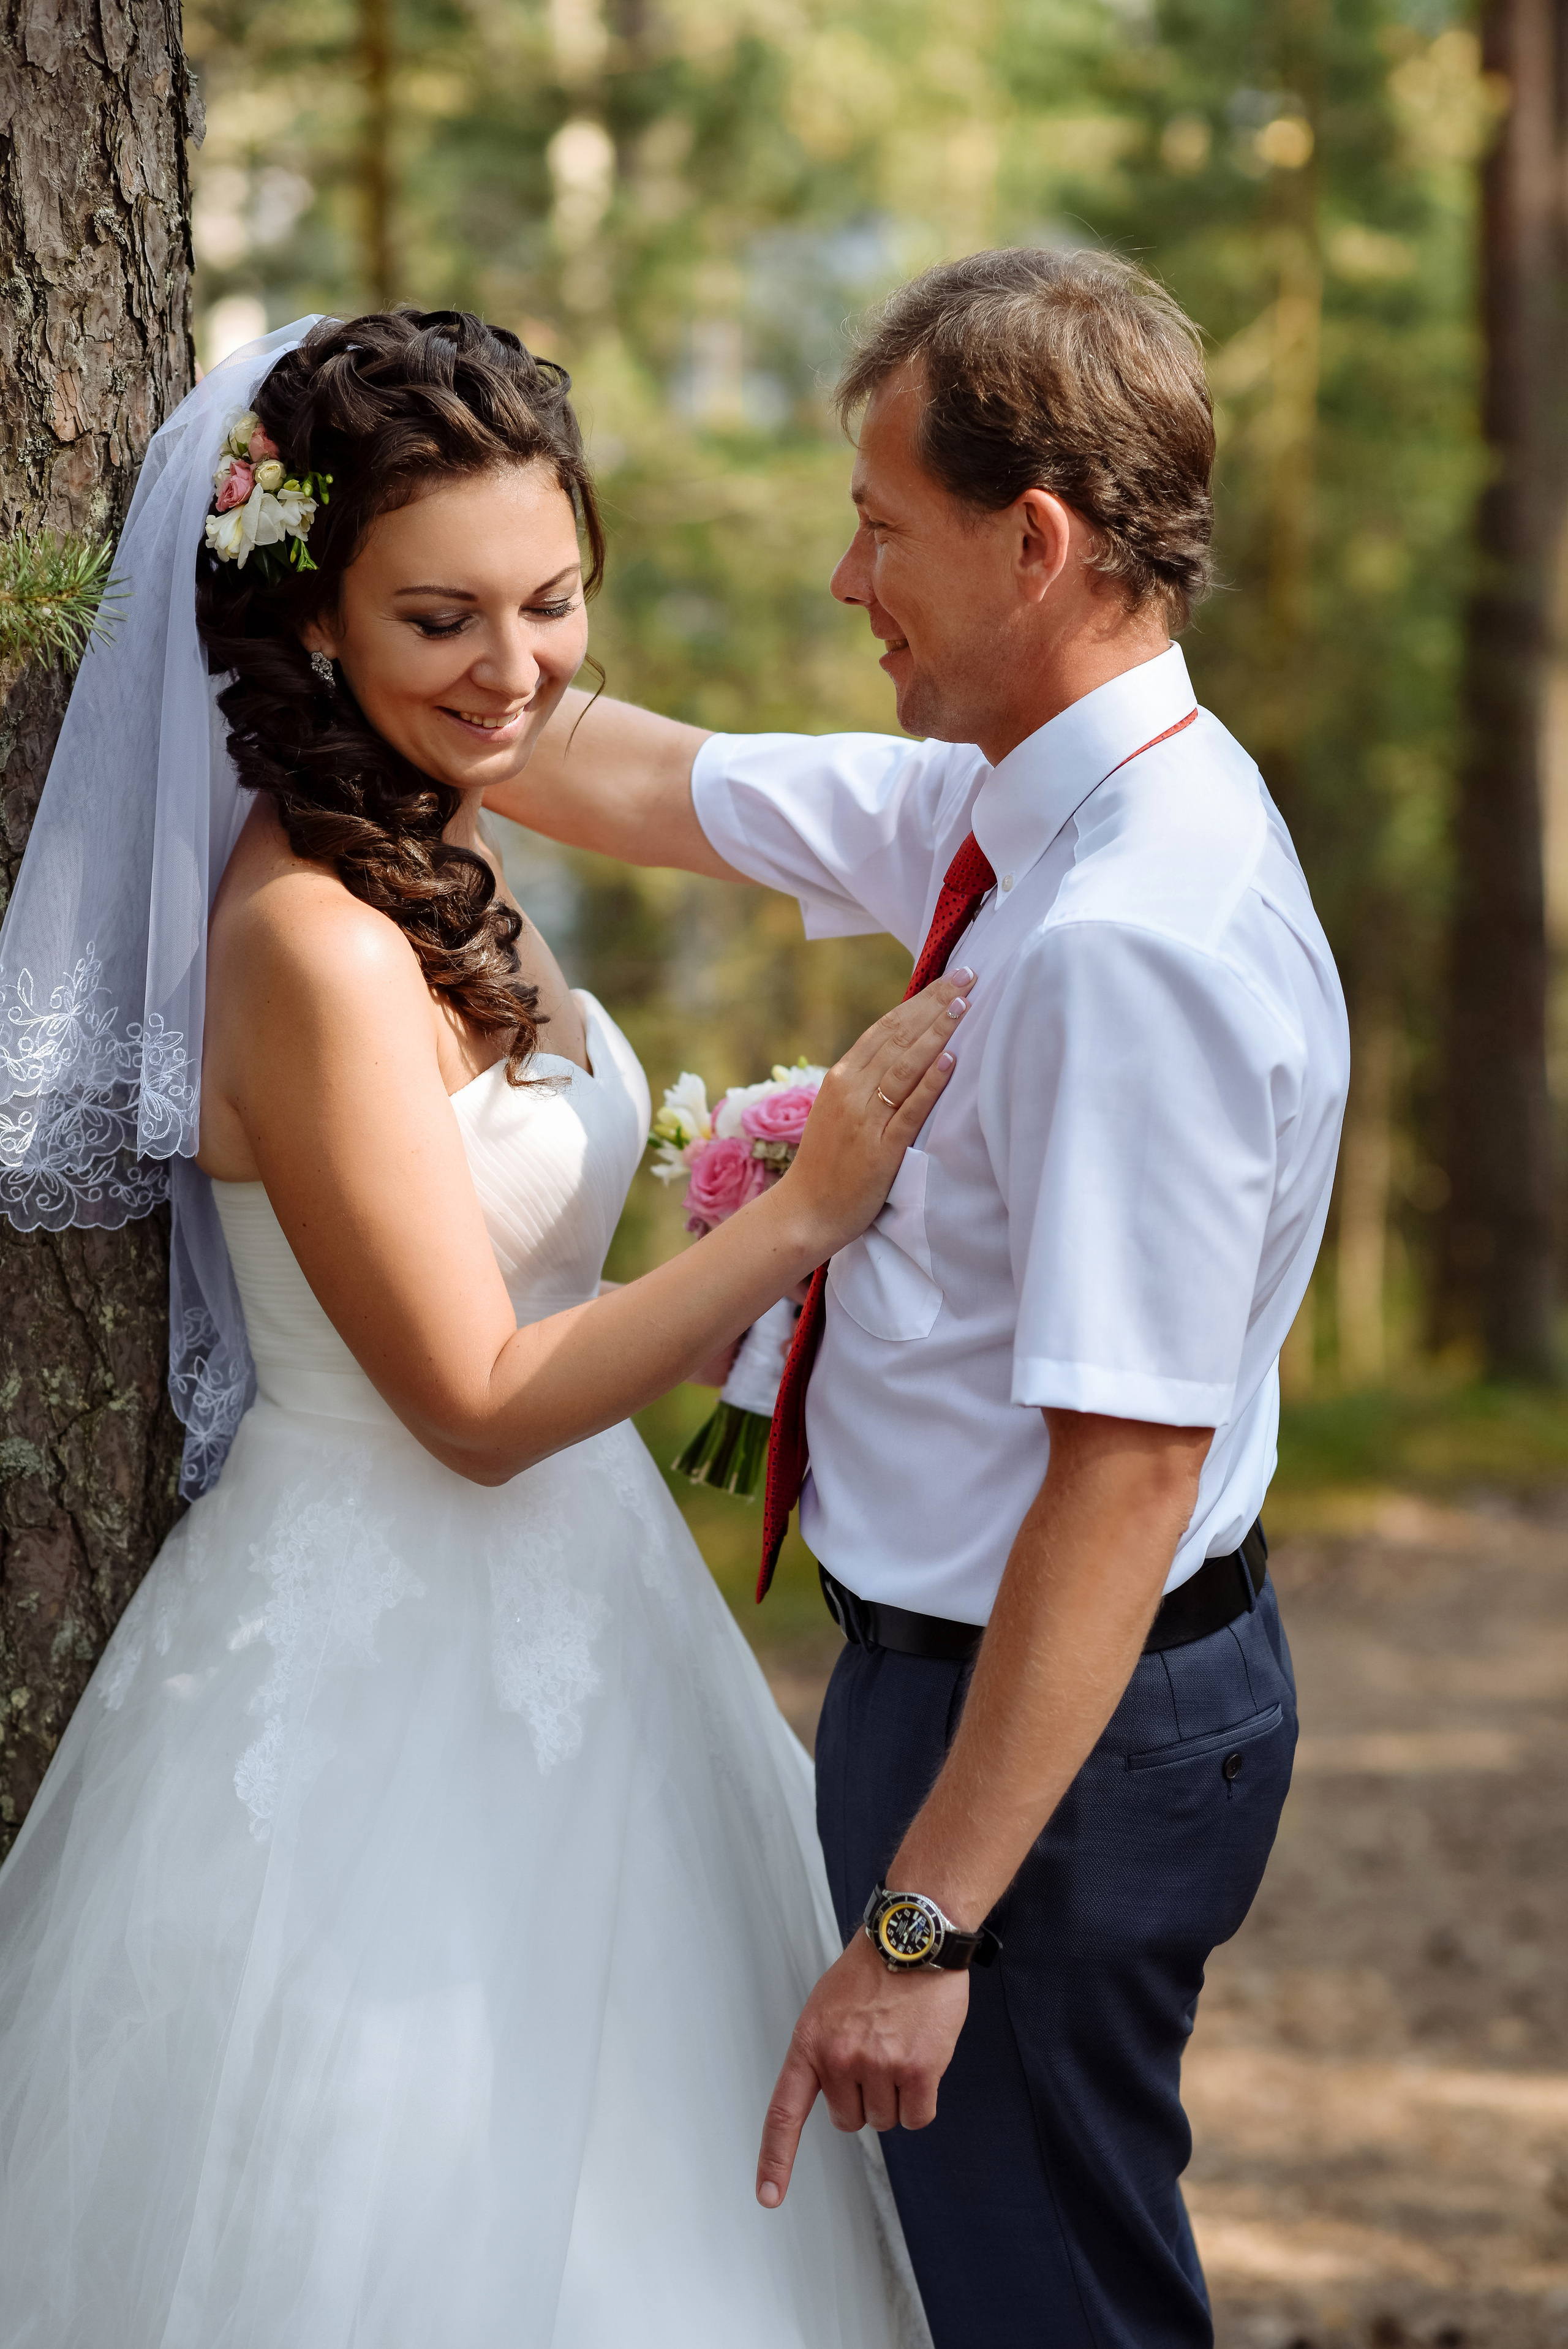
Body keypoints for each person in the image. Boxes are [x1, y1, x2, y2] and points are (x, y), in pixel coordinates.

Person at [0, 311, 948, 2346]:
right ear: (315, 619)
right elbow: (479, 1401)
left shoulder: (449, 822)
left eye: (553, 601)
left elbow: (712, 811)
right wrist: (802, 1208)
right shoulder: (314, 944)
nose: (513, 668)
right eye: (441, 616)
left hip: (598, 1625)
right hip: (373, 1671)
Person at [485, 247, 1351, 2347]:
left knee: (1053, 2310)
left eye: (884, 524)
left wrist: (920, 1919)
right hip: (1002, 1709)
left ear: (1032, 540)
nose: (850, 574)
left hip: (1036, 1745)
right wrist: (358, 628)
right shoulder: (1035, 807)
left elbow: (1126, 1479)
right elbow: (656, 779)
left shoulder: (1131, 935)